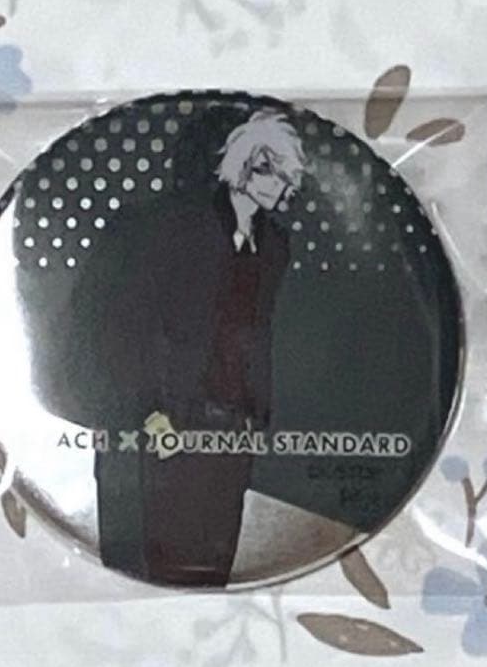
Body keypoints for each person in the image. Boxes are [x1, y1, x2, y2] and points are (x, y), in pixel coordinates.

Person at [66, 109, 307, 585]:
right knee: (145, 571)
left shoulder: (274, 245)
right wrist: (148, 413)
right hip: (160, 425)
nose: (276, 184)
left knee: (210, 566)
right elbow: (120, 329)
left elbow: (259, 332)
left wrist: (255, 418)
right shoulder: (163, 229)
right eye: (264, 168)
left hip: (231, 432)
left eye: (283, 173)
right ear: (237, 166)